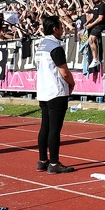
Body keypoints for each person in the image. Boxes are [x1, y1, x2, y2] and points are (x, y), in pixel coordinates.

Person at [36, 16, 75, 174]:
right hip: (56, 91)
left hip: (43, 91)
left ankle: (42, 160)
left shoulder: (40, 46)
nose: (63, 28)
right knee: (54, 129)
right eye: (61, 25)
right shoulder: (55, 47)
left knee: (45, 127)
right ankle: (53, 163)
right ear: (55, 29)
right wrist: (72, 83)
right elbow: (64, 72)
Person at [86, 0, 105, 71]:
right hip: (95, 25)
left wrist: (91, 25)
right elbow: (92, 16)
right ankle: (91, 57)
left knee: (91, 39)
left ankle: (95, 59)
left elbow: (100, 18)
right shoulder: (95, 6)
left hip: (101, 25)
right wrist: (86, 23)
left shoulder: (103, 6)